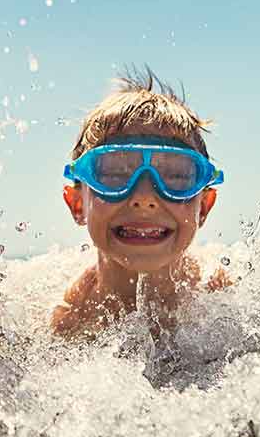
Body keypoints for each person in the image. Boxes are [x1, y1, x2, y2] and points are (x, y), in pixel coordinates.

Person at [52, 70, 227, 339]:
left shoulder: (221, 296)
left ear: (203, 206)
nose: (144, 198)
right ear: (77, 204)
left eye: (176, 176)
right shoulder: (69, 321)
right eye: (114, 174)